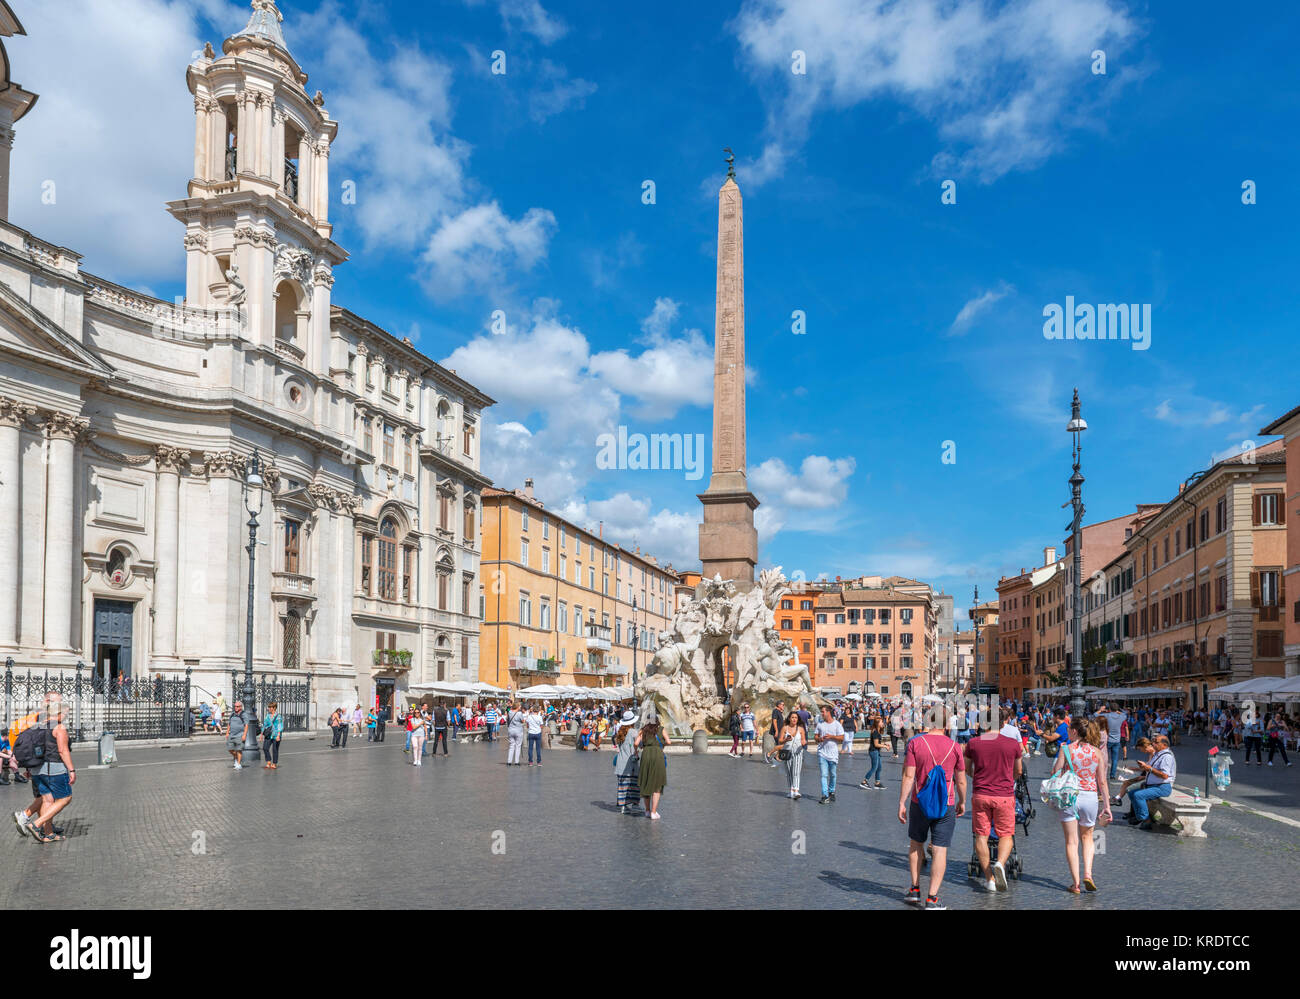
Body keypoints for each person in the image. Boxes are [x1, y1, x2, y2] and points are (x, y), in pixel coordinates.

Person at [898, 706, 966, 910]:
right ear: (947, 724)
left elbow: (909, 775)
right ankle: (932, 898)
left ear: (928, 721)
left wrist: (902, 802)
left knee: (916, 844)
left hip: (919, 802)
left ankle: (915, 889)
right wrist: (962, 801)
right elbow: (961, 781)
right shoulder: (955, 746)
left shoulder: (915, 743)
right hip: (946, 804)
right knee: (940, 850)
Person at [964, 706, 1023, 892]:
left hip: (981, 794)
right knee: (1006, 834)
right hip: (1004, 795)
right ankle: (1000, 864)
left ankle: (989, 878)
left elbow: (966, 769)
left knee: (981, 836)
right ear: (1003, 722)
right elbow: (1019, 771)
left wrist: (979, 778)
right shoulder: (1012, 744)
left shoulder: (973, 743)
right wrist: (1008, 779)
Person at [1050, 719, 1110, 892]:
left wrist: (1063, 770)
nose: (1067, 732)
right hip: (1090, 797)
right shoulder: (1096, 752)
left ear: (1075, 732)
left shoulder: (1066, 749)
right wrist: (1107, 806)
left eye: (1069, 729)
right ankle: (1088, 874)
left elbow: (1055, 772)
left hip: (1070, 797)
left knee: (1071, 841)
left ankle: (1075, 884)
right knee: (1088, 838)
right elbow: (1102, 782)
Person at [12, 693, 75, 843]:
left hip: (37, 769)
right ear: (58, 712)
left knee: (47, 800)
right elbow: (63, 750)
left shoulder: (37, 725)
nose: (66, 716)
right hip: (53, 767)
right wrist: (71, 770)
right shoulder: (59, 727)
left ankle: (48, 833)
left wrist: (28, 767)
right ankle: (36, 824)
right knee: (65, 797)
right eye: (65, 713)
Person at [1127, 734, 1175, 829]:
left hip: (1162, 787)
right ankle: (1139, 816)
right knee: (1132, 793)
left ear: (1164, 745)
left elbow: (1165, 775)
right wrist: (1144, 767)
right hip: (1154, 785)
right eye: (1153, 741)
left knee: (1138, 795)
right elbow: (1151, 769)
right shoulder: (1158, 754)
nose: (1153, 744)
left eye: (1156, 742)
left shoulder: (1167, 757)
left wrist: (1150, 769)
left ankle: (1146, 820)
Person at [634, 715, 670, 819]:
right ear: (657, 721)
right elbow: (668, 741)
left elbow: (636, 743)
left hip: (646, 755)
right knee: (657, 783)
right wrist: (661, 746)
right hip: (657, 755)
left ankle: (647, 811)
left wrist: (637, 751)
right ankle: (654, 812)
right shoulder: (661, 729)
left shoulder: (643, 730)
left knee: (646, 781)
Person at [814, 705, 845, 804]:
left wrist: (831, 736)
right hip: (822, 753)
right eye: (821, 712)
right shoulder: (820, 724)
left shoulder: (836, 724)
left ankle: (831, 791)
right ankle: (825, 795)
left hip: (833, 754)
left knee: (833, 775)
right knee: (823, 775)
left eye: (823, 712)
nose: (821, 714)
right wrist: (820, 739)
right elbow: (815, 737)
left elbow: (842, 738)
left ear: (828, 712)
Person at [776, 706, 807, 799]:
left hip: (798, 751)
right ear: (789, 718)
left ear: (798, 719)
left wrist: (803, 743)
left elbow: (804, 740)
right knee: (789, 772)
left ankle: (796, 790)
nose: (794, 719)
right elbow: (780, 741)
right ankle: (791, 790)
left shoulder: (801, 729)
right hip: (787, 752)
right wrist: (785, 740)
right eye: (792, 717)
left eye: (796, 718)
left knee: (796, 771)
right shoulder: (785, 728)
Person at [614, 711, 640, 813]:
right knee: (633, 784)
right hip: (630, 762)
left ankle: (622, 806)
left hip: (621, 762)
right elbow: (639, 744)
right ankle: (634, 804)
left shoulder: (620, 732)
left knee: (622, 785)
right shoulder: (633, 732)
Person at [1098, 703, 1125, 780]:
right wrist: (1118, 711)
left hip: (1108, 739)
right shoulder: (1121, 716)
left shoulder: (1107, 715)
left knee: (1104, 757)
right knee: (1115, 759)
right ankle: (1112, 775)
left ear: (1109, 709)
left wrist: (1100, 710)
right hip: (1117, 740)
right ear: (1117, 709)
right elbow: (1125, 714)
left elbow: (1095, 715)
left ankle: (1103, 773)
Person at [859, 717, 886, 789]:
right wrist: (885, 746)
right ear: (877, 724)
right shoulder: (875, 732)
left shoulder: (877, 731)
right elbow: (876, 744)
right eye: (881, 722)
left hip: (876, 751)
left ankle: (877, 783)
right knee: (874, 768)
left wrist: (884, 745)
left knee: (879, 768)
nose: (882, 723)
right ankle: (864, 782)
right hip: (873, 751)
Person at [261, 701, 284, 769]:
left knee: (275, 749)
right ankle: (268, 761)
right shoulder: (267, 716)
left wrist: (278, 735)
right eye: (269, 707)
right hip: (268, 734)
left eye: (271, 707)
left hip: (276, 734)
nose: (269, 708)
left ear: (274, 708)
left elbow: (280, 726)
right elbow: (265, 725)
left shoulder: (278, 716)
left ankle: (274, 763)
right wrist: (262, 733)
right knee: (265, 748)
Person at [765, 700, 786, 767]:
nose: (783, 706)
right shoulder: (775, 711)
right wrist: (776, 731)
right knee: (780, 745)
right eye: (782, 704)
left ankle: (776, 757)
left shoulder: (779, 712)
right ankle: (768, 754)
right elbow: (774, 721)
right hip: (777, 731)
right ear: (779, 705)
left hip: (780, 731)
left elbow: (780, 722)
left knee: (781, 744)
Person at [226, 700, 247, 769]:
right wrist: (227, 732)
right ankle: (236, 757)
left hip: (240, 735)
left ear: (241, 707)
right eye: (235, 706)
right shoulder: (232, 714)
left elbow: (246, 725)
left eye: (237, 706)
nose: (236, 708)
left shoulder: (244, 714)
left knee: (239, 749)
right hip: (231, 734)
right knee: (230, 749)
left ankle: (238, 764)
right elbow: (229, 724)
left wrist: (244, 735)